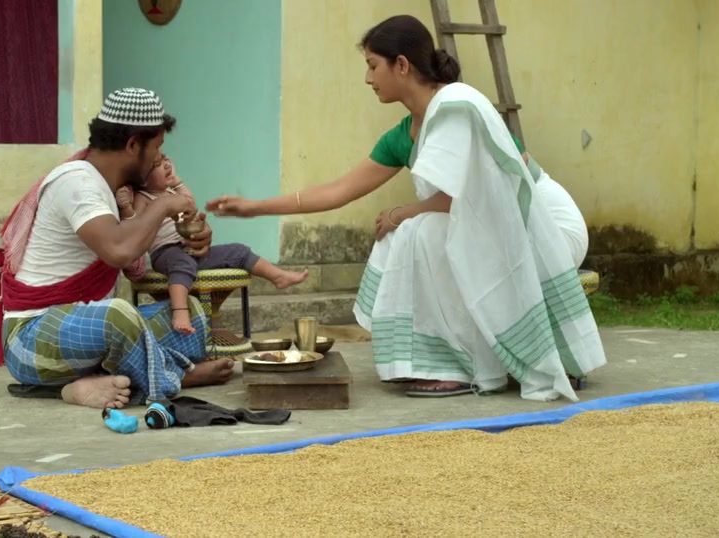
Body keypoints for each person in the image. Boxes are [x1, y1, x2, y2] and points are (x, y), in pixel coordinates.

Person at [206, 15, 606, 402]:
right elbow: (339, 190)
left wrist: (402, 213)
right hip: (492, 230)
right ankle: (450, 359)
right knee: (418, 232)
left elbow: (486, 193)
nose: (368, 78)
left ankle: (458, 367)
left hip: (543, 228)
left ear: (401, 65)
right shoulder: (404, 133)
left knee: (420, 231)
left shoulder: (457, 106)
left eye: (372, 65)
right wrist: (254, 208)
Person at [0, 87, 236, 409]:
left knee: (192, 315)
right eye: (156, 147)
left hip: (88, 332)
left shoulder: (120, 190)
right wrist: (163, 206)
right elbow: (119, 250)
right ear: (133, 145)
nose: (159, 158)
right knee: (118, 316)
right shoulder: (78, 183)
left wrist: (195, 235)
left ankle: (122, 376)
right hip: (32, 338)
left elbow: (150, 252)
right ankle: (161, 379)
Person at [118, 156, 310, 334]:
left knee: (239, 251)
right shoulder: (143, 198)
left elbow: (190, 206)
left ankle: (278, 276)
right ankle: (180, 311)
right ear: (142, 179)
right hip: (166, 252)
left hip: (190, 249)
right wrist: (126, 208)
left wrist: (178, 184)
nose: (167, 164)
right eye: (157, 164)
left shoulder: (172, 192)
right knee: (182, 264)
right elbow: (135, 226)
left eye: (165, 159)